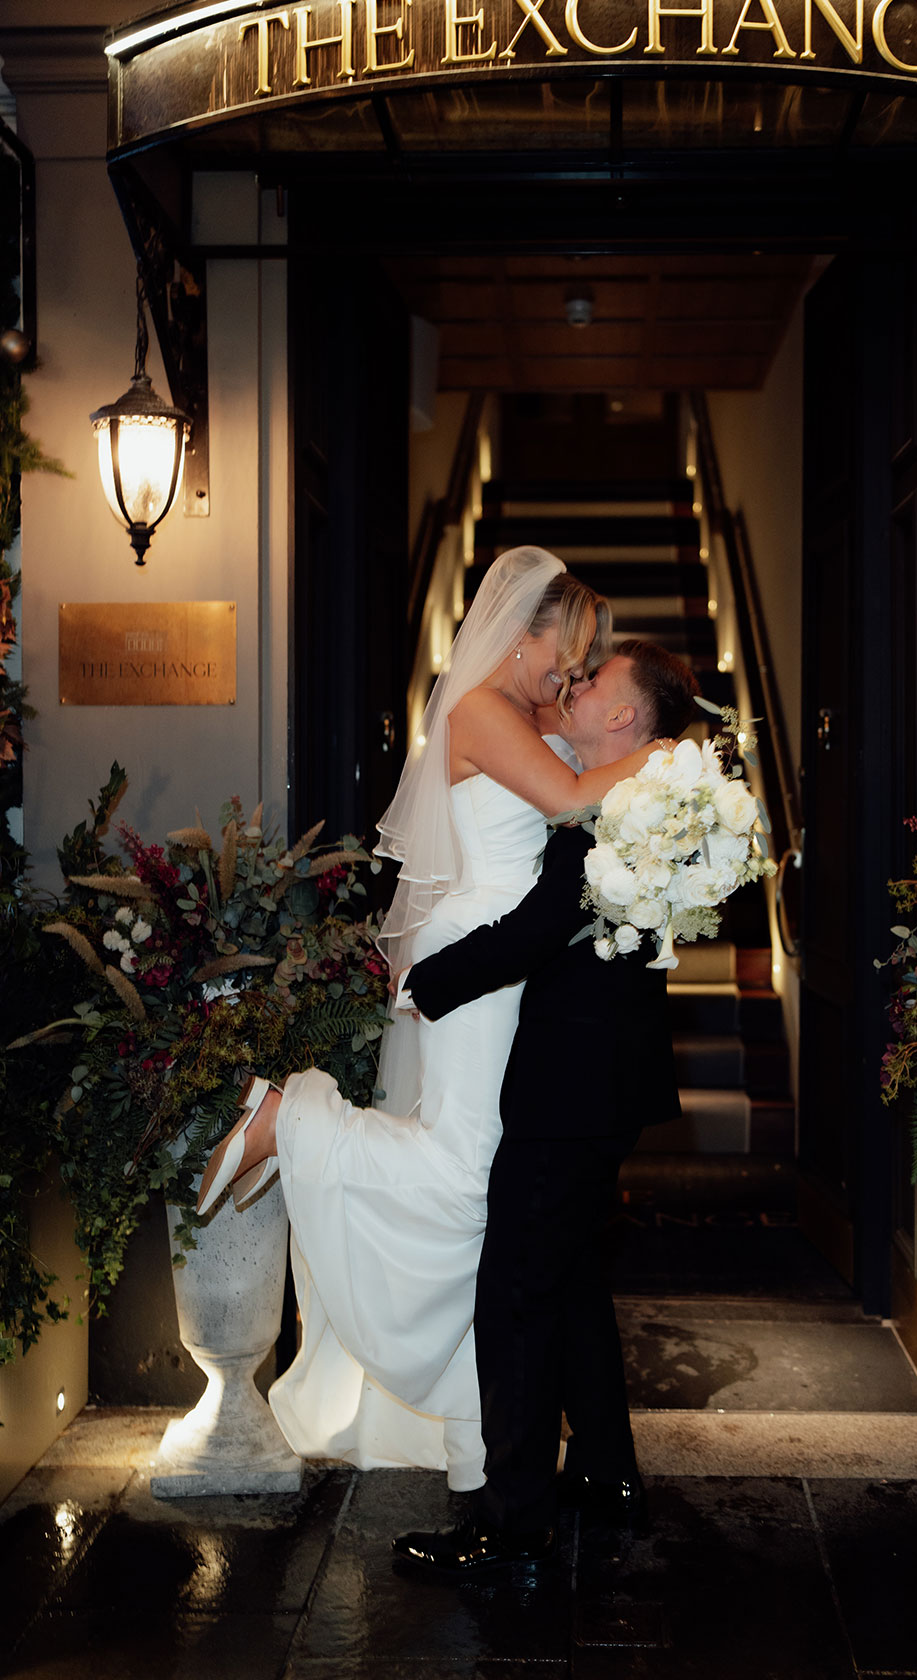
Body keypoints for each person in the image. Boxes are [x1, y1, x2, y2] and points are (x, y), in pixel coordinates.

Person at [194, 547, 663, 1494]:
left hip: (509, 959)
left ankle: (482, 1443)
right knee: (466, 1177)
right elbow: (573, 798)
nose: (569, 672)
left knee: (488, 1183)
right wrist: (665, 758)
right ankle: (297, 1121)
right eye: (565, 651)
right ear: (521, 630)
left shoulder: (533, 711)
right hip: (477, 955)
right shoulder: (481, 712)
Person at [390, 641, 698, 1579]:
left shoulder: (612, 804)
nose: (578, 684)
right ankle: (607, 1476)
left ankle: (510, 1521)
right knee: (566, 1281)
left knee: (515, 1290)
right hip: (606, 1076)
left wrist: (418, 983)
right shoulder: (642, 794)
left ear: (623, 718)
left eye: (597, 680)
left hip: (572, 1081)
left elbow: (533, 931)